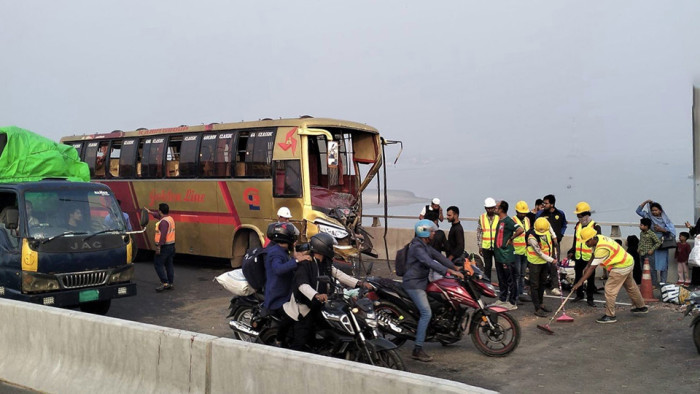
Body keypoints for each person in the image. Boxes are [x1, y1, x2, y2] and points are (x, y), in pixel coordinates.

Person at [283, 233, 372, 352]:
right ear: (322, 247)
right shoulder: (305, 264)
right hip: (304, 307)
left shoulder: (326, 263)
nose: (332, 250)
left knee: (333, 326)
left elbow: (339, 275)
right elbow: (302, 285)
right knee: (301, 340)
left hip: (320, 304)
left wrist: (359, 283)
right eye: (330, 247)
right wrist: (316, 295)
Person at [402, 219, 464, 362]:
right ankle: (417, 349)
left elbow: (438, 257)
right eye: (432, 231)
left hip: (423, 282)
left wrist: (455, 267)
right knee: (426, 312)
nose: (434, 233)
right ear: (424, 232)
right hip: (414, 284)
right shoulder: (417, 247)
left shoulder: (425, 245)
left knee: (442, 302)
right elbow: (429, 262)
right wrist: (449, 271)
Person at [573, 227, 648, 324]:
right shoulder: (599, 238)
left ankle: (610, 315)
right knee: (631, 286)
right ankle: (641, 307)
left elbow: (592, 268)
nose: (586, 244)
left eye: (586, 242)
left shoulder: (602, 248)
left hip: (620, 267)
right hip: (627, 261)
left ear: (592, 238)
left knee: (610, 289)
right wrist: (587, 265)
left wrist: (579, 282)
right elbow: (593, 254)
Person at [263, 223, 310, 346]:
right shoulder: (275, 253)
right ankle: (279, 340)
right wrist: (296, 260)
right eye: (293, 239)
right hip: (278, 296)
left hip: (287, 292)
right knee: (292, 316)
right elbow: (278, 269)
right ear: (287, 239)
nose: (295, 242)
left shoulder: (282, 250)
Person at [567, 202, 601, 307]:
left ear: (586, 214)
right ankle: (579, 294)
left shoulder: (595, 226)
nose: (579, 217)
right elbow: (575, 240)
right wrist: (572, 251)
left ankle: (590, 298)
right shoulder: (578, 225)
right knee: (578, 275)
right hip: (579, 255)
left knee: (590, 278)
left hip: (590, 256)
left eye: (580, 215)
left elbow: (598, 243)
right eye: (577, 215)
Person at [636, 200, 675, 285]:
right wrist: (645, 202)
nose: (654, 212)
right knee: (652, 265)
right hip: (651, 244)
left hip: (662, 243)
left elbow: (672, 232)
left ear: (660, 210)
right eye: (652, 210)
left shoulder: (665, 219)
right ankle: (653, 283)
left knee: (663, 264)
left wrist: (662, 230)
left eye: (656, 210)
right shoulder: (648, 216)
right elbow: (638, 211)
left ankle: (663, 282)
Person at [492, 201, 523, 310]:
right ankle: (502, 298)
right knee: (501, 279)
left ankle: (512, 301)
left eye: (496, 207)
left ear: (501, 209)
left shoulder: (508, 221)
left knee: (511, 279)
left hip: (507, 256)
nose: (494, 208)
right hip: (499, 255)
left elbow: (520, 229)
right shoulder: (499, 221)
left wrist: (511, 238)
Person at [536, 194, 565, 295]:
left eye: (546, 203)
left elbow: (564, 225)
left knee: (555, 264)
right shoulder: (540, 214)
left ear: (552, 204)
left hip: (555, 244)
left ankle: (555, 286)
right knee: (542, 265)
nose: (544, 205)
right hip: (543, 244)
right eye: (543, 203)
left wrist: (560, 235)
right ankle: (542, 287)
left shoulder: (560, 213)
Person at [526, 218, 557, 317]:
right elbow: (539, 253)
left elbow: (550, 227)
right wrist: (552, 260)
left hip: (544, 261)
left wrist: (554, 236)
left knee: (543, 282)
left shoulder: (545, 225)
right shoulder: (532, 237)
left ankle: (541, 303)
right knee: (535, 285)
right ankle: (537, 308)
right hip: (535, 262)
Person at [147, 203, 175, 292]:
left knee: (158, 264)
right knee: (169, 265)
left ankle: (164, 283)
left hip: (164, 247)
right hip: (171, 246)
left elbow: (163, 236)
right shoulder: (169, 219)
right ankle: (170, 283)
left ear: (160, 211)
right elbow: (158, 216)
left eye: (158, 210)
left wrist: (159, 247)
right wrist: (150, 212)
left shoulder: (163, 222)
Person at [512, 201, 531, 302]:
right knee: (517, 274)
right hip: (516, 251)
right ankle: (515, 295)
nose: (523, 215)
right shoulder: (513, 220)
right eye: (521, 213)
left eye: (524, 213)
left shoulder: (527, 220)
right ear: (517, 211)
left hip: (525, 251)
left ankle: (520, 293)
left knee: (523, 274)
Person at [477, 197, 498, 281]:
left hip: (497, 246)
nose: (490, 210)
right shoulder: (482, 217)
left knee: (499, 267)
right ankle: (487, 283)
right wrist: (480, 246)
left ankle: (500, 284)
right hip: (486, 246)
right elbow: (479, 232)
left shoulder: (498, 217)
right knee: (487, 267)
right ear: (485, 208)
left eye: (491, 208)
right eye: (488, 208)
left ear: (494, 208)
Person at [638, 217, 662, 287]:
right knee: (643, 269)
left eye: (641, 225)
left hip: (649, 254)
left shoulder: (651, 233)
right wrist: (639, 248)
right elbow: (641, 241)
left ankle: (654, 284)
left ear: (646, 226)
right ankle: (644, 283)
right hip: (642, 253)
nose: (640, 226)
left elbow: (658, 242)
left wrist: (652, 249)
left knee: (651, 269)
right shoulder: (641, 233)